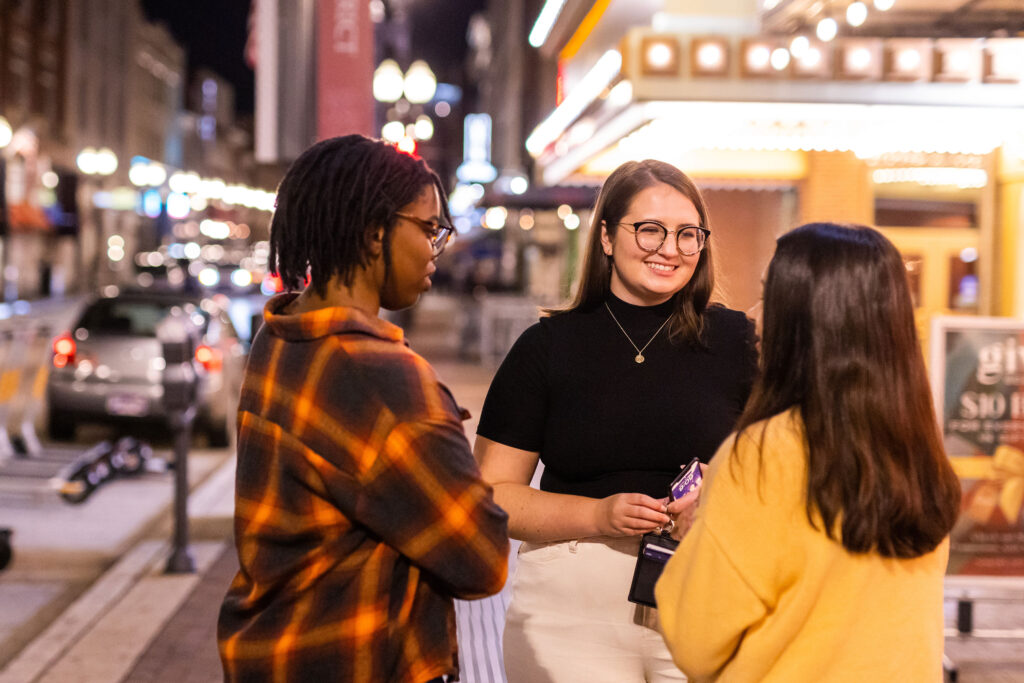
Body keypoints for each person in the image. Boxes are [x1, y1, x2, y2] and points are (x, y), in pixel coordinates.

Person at [217, 135, 510, 683]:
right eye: (428, 228)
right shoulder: (381, 377)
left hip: (274, 654)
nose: (435, 248)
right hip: (357, 661)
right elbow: (482, 559)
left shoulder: (282, 335)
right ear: (376, 232)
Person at [475, 159, 759, 682]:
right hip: (571, 611)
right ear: (606, 236)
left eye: (687, 234)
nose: (670, 249)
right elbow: (490, 495)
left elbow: (780, 470)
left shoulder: (739, 343)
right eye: (649, 229)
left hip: (704, 595)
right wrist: (598, 516)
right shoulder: (547, 348)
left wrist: (720, 502)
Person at [655, 222, 962, 681]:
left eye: (770, 297)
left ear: (808, 321)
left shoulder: (762, 455)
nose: (754, 315)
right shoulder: (917, 454)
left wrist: (696, 531)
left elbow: (695, 639)